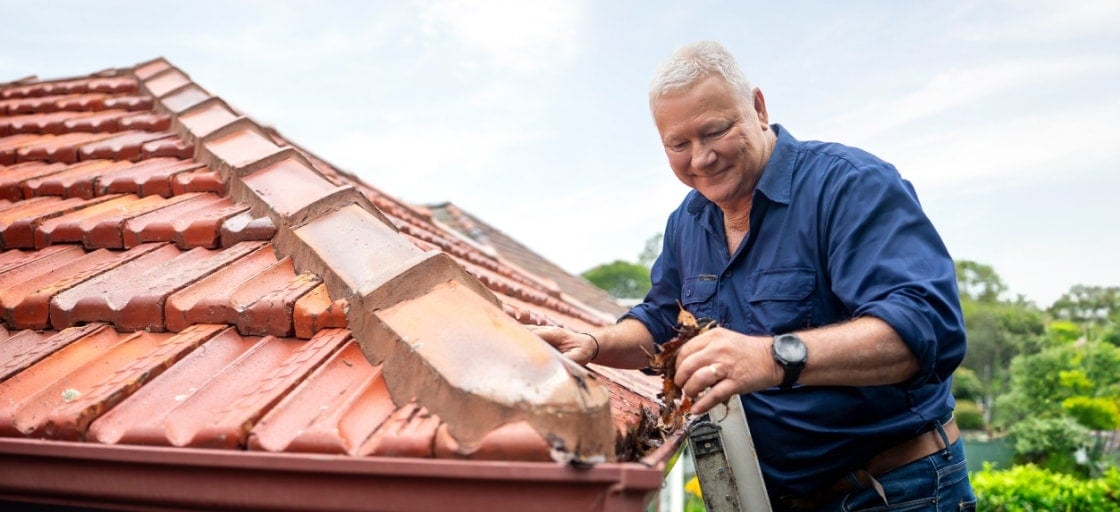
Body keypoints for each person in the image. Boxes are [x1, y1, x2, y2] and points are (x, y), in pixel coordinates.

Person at [534, 41, 975, 511]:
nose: (701, 158)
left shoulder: (850, 185)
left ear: (758, 108)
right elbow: (661, 322)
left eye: (715, 131)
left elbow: (928, 328)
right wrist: (595, 345)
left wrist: (772, 358)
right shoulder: (688, 222)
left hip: (894, 491)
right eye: (678, 144)